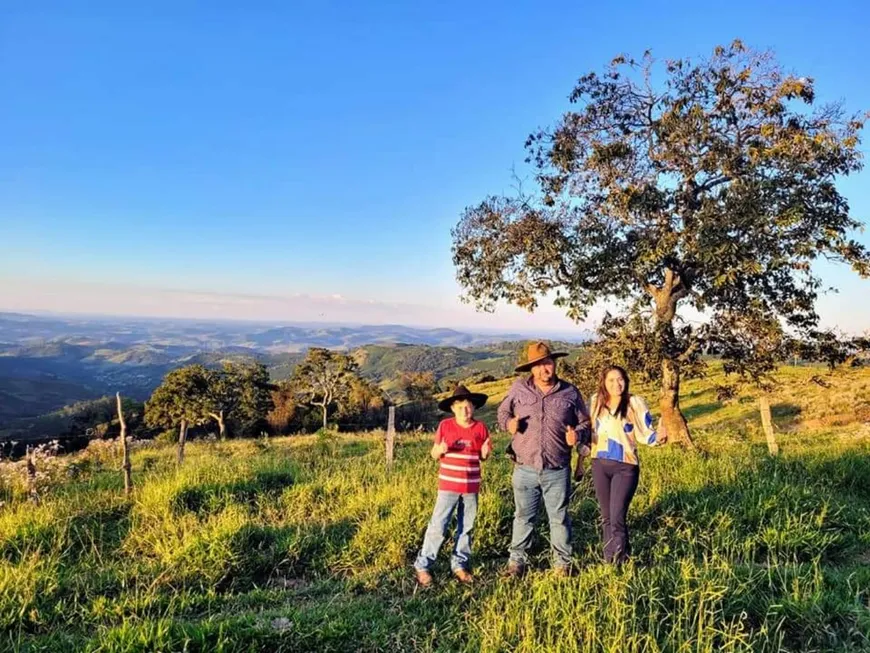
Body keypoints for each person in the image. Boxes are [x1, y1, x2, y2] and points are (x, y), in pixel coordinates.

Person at [497, 341, 590, 576]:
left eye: (546, 363)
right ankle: (517, 563)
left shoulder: (570, 392)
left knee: (558, 518)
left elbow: (585, 422)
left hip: (557, 467)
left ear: (554, 363)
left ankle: (562, 565)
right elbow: (502, 412)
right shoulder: (519, 389)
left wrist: (577, 435)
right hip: (525, 467)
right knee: (523, 517)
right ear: (531, 369)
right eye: (537, 366)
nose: (543, 370)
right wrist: (509, 423)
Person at [414, 384, 492, 586]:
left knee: (466, 527)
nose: (464, 411)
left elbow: (482, 456)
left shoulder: (481, 428)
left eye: (468, 407)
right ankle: (423, 565)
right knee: (438, 525)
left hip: (471, 487)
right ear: (452, 409)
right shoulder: (445, 426)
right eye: (459, 408)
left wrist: (485, 452)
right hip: (448, 485)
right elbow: (434, 454)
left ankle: (459, 564)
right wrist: (440, 449)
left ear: (473, 408)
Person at [587, 365, 664, 564]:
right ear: (603, 382)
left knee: (617, 516)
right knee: (606, 517)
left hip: (625, 465)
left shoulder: (634, 403)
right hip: (599, 463)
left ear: (626, 380)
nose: (616, 384)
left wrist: (659, 437)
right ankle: (609, 559)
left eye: (620, 379)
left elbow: (644, 432)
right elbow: (591, 431)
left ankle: (619, 562)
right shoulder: (596, 401)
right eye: (611, 380)